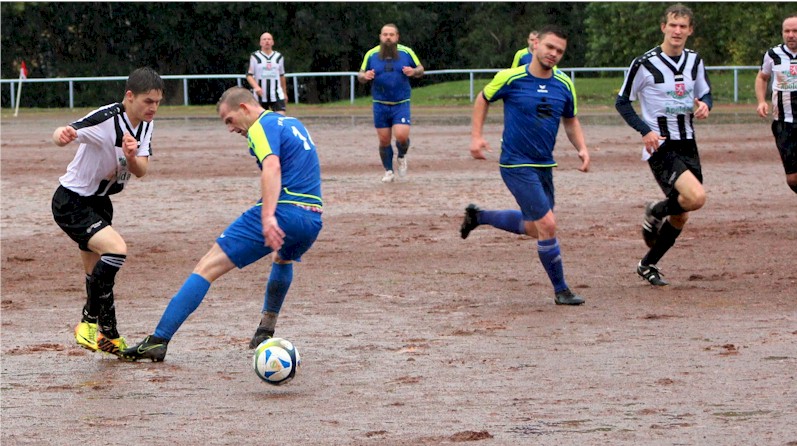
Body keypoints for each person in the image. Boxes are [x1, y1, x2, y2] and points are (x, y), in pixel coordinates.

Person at [120, 87, 323, 362]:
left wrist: (267, 216)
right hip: (312, 217)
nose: (230, 128)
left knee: (206, 267)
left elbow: (272, 167)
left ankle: (158, 340)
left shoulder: (260, 127)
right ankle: (265, 330)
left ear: (244, 108)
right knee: (283, 258)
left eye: (229, 120)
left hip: (284, 211)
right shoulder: (292, 123)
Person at [461, 25, 591, 306]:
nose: (554, 54)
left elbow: (570, 120)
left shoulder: (565, 84)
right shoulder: (511, 78)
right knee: (548, 224)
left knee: (535, 228)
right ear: (535, 46)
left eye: (559, 50)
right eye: (549, 47)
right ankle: (562, 290)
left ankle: (479, 216)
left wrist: (581, 148)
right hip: (515, 164)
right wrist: (476, 137)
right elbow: (483, 98)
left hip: (544, 164)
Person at [50, 67, 164, 356]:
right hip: (71, 201)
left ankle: (109, 336)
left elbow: (141, 170)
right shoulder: (107, 118)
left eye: (157, 102)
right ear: (129, 96)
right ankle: (88, 321)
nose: (153, 107)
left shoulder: (147, 125)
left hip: (101, 203)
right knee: (116, 251)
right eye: (148, 101)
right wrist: (61, 136)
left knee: (98, 275)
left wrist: (130, 155)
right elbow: (66, 131)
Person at [615, 3, 712, 287]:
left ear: (690, 30)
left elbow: (706, 93)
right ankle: (655, 211)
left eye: (683, 26)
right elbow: (622, 102)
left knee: (682, 213)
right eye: (673, 25)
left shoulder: (695, 61)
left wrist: (705, 105)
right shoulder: (644, 63)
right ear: (663, 27)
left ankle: (648, 264)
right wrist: (644, 131)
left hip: (688, 143)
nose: (678, 31)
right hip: (660, 145)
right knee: (696, 198)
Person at [358, 23, 424, 183]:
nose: (388, 37)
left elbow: (421, 69)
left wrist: (413, 72)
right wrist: (364, 76)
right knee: (384, 140)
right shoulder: (371, 54)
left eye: (391, 34)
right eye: (385, 34)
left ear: (397, 37)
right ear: (380, 37)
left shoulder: (406, 52)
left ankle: (401, 156)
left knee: (402, 136)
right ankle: (389, 171)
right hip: (380, 103)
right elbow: (360, 75)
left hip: (401, 103)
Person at [755, 14, 797, 195]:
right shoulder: (773, 54)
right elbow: (762, 77)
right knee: (793, 178)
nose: (791, 35)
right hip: (783, 124)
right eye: (787, 31)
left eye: (795, 31)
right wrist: (761, 101)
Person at [246, 32, 288, 115]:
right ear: (260, 42)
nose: (267, 41)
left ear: (272, 42)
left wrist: (284, 93)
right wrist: (256, 87)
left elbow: (281, 76)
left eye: (269, 39)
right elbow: (249, 75)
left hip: (276, 94)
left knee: (280, 118)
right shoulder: (255, 57)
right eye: (264, 39)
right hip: (260, 96)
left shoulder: (279, 57)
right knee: (260, 120)